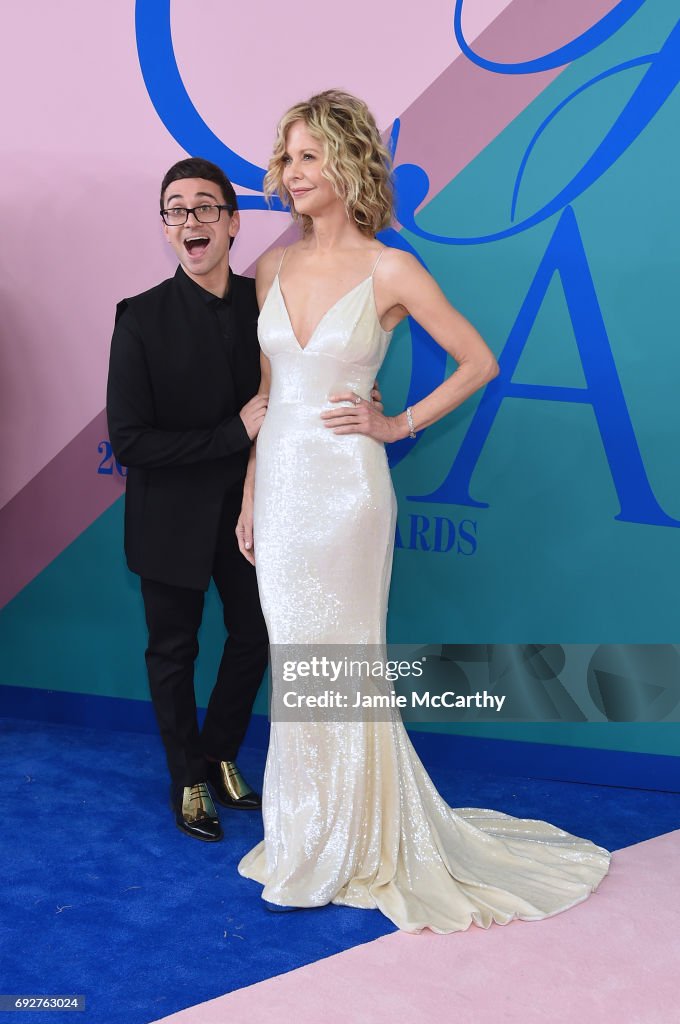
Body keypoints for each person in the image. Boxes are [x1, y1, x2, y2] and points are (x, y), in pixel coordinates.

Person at [235, 91, 610, 932]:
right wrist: (253, 494)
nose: (289, 172)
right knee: (295, 661)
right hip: (286, 493)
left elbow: (477, 358)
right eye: (284, 157)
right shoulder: (269, 268)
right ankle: (307, 832)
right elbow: (268, 398)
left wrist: (397, 422)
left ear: (346, 161)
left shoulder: (389, 268)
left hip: (347, 495)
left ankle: (356, 840)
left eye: (305, 156)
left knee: (340, 666)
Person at [106, 158, 270, 842]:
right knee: (173, 652)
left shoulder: (270, 305)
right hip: (168, 520)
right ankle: (187, 778)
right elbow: (131, 442)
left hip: (250, 513)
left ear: (233, 223)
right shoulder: (139, 318)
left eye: (206, 207)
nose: (190, 220)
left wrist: (355, 400)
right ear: (166, 228)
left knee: (255, 635)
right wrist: (230, 432)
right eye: (176, 209)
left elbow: (303, 385)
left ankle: (219, 750)